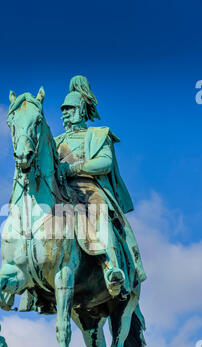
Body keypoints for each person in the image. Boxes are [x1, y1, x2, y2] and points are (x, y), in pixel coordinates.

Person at [54, 75, 146, 298]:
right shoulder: (55, 141)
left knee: (99, 213)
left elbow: (105, 163)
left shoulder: (97, 135)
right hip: (61, 191)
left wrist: (75, 169)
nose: (65, 112)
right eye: (63, 109)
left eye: (70, 108)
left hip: (89, 187)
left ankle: (112, 267)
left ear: (82, 110)